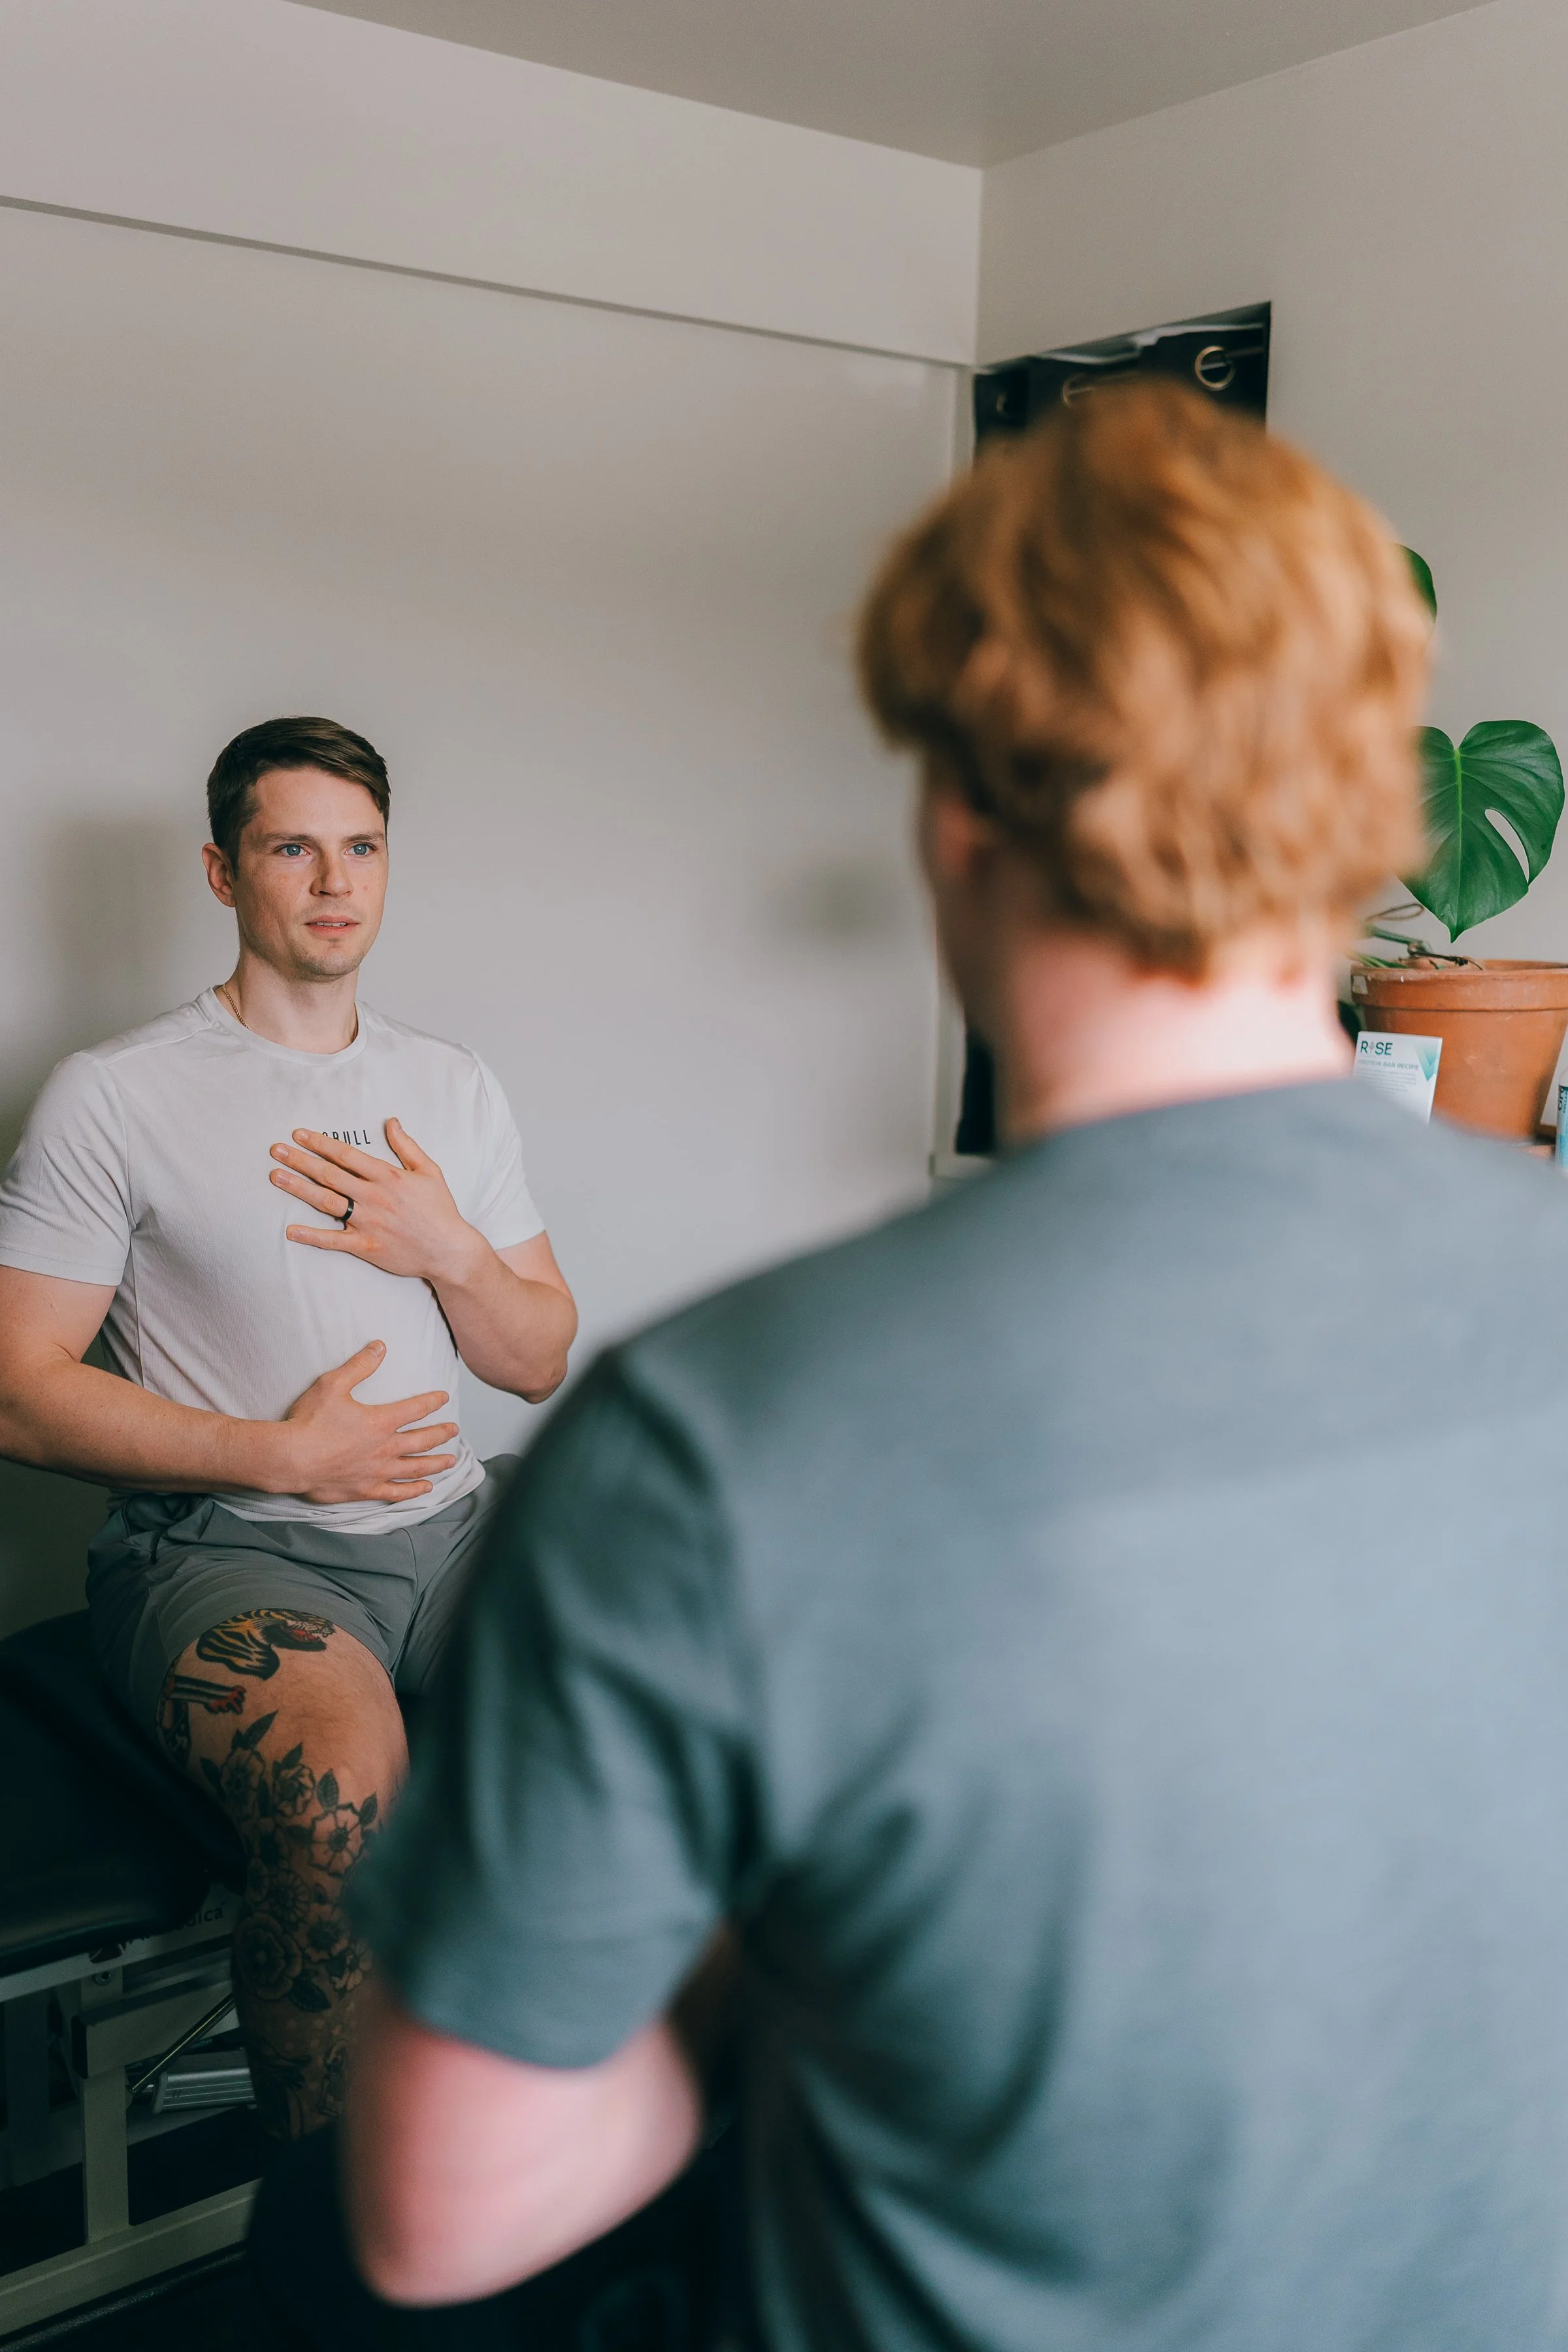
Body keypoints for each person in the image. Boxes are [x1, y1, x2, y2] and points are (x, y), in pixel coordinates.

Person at [295, 381, 1568, 2349]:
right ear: (1358, 813)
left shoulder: (710, 1438)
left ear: (956, 817)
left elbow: (447, 2206)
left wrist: (796, 1948)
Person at [0, 716, 576, 2138]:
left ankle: (571, 2155)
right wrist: (283, 1457)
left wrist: (449, 1249)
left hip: (451, 1533)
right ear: (222, 870)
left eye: (363, 846)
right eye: (293, 847)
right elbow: (15, 1386)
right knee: (333, 1804)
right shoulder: (116, 1094)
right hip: (233, 1555)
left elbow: (540, 1355)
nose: (336, 881)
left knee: (684, 1691)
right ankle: (338, 2238)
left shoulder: (450, 1085)